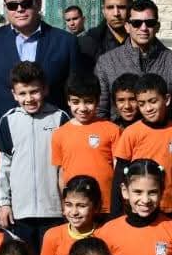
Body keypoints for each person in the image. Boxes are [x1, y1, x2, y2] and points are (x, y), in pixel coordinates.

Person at [0, 0, 80, 141]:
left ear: (38, 3)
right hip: (3, 141)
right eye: (12, 5)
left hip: (54, 139)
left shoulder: (66, 43)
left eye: (26, 3)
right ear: (6, 7)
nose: (19, 9)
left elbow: (76, 94)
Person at [0, 61, 68, 250]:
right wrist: (3, 203)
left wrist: (68, 202)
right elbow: (4, 167)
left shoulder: (60, 118)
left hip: (54, 211)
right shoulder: (8, 120)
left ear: (45, 89)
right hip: (20, 213)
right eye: (22, 93)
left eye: (34, 92)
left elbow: (67, 166)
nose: (29, 99)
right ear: (14, 94)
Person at [112, 73, 172, 219]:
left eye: (153, 101)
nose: (148, 108)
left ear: (167, 99)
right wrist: (115, 214)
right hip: (138, 208)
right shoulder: (131, 133)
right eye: (142, 104)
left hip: (169, 209)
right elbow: (119, 176)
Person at [95, 0, 172, 120]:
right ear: (127, 27)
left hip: (164, 131)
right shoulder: (107, 62)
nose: (144, 28)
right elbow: (100, 111)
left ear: (157, 26)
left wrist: (171, 132)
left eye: (149, 23)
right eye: (136, 23)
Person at [51, 72, 120, 216]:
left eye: (88, 101)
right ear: (68, 101)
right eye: (76, 102)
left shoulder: (112, 130)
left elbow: (118, 169)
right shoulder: (59, 134)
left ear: (98, 100)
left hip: (106, 206)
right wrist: (64, 202)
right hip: (75, 208)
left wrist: (118, 202)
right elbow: (61, 174)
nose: (82, 108)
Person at [40, 175, 103, 255]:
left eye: (81, 206)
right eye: (69, 204)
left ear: (96, 206)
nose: (74, 212)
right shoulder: (52, 235)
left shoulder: (105, 235)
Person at [77, 0, 132, 66]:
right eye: (110, 7)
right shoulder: (89, 43)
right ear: (103, 10)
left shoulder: (143, 38)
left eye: (121, 7)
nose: (116, 13)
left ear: (130, 9)